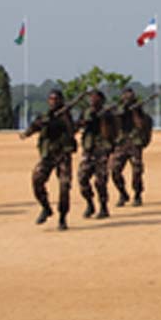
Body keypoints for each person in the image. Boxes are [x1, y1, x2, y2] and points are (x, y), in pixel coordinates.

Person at [20, 89, 77, 230]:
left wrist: (64, 118)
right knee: (37, 180)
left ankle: (63, 218)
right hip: (48, 156)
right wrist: (30, 130)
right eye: (51, 99)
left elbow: (72, 131)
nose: (54, 101)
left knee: (64, 186)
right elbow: (34, 127)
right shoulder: (45, 116)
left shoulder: (66, 117)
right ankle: (46, 208)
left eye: (56, 99)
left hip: (63, 156)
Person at [77, 90, 116, 219]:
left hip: (102, 150)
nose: (93, 100)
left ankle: (103, 207)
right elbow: (78, 124)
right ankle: (90, 204)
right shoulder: (86, 112)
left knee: (101, 181)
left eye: (96, 97)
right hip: (88, 149)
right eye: (91, 97)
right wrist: (84, 122)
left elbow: (112, 130)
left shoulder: (108, 113)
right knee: (82, 179)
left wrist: (102, 117)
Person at [110, 88, 150, 207]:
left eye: (130, 97)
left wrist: (135, 111)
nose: (127, 99)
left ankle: (137, 194)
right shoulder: (119, 109)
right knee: (114, 170)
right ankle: (123, 193)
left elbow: (141, 125)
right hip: (121, 144)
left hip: (134, 144)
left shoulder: (139, 112)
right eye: (125, 96)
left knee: (137, 171)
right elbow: (114, 123)